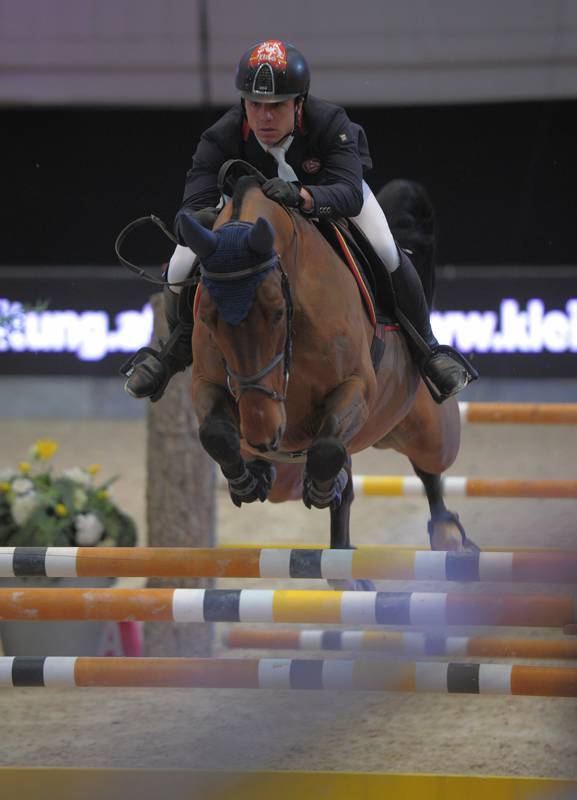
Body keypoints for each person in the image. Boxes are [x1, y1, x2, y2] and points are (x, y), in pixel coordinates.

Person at [123, 39, 474, 403]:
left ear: (299, 103)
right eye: (255, 104)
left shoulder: (330, 123)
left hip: (329, 194)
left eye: (276, 106)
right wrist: (200, 223)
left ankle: (428, 350)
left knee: (386, 249)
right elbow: (192, 204)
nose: (264, 117)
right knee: (180, 263)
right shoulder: (220, 136)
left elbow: (350, 193)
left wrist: (305, 197)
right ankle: (171, 351)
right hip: (246, 209)